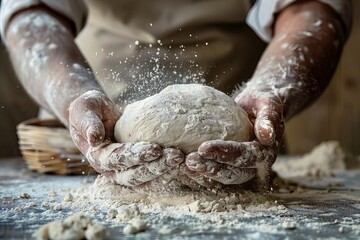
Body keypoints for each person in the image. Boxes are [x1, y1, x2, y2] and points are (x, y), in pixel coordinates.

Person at [0, 0, 351, 189]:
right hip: (97, 124)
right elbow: (30, 14)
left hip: (243, 130)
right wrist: (75, 95)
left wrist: (270, 91)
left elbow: (312, 8)